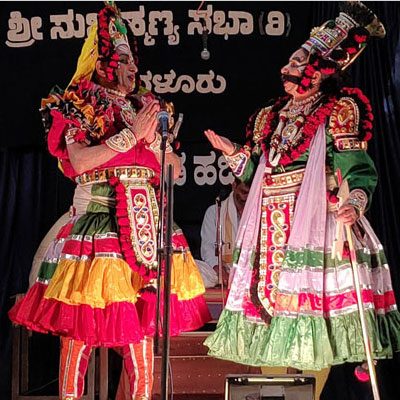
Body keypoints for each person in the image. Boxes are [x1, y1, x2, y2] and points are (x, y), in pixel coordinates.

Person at [9, 3, 210, 400]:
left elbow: (175, 172)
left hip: (147, 224)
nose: (134, 69)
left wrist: (154, 141)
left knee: (140, 325)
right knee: (82, 324)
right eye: (124, 62)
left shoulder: (147, 109)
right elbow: (81, 161)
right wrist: (131, 136)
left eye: (135, 62)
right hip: (98, 222)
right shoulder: (78, 103)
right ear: (103, 66)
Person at [203, 1, 400, 398]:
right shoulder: (270, 116)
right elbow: (256, 171)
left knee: (310, 320)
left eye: (295, 62)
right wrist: (232, 154)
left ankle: (305, 393)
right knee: (271, 315)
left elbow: (357, 167)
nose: (285, 68)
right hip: (270, 225)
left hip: (315, 225)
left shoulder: (340, 111)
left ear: (319, 68)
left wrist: (355, 201)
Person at [198, 178, 250, 287]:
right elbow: (208, 247)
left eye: (251, 193)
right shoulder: (215, 211)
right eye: (244, 192)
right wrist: (219, 269)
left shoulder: (259, 211)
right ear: (234, 186)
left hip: (250, 271)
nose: (247, 198)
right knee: (195, 271)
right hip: (223, 269)